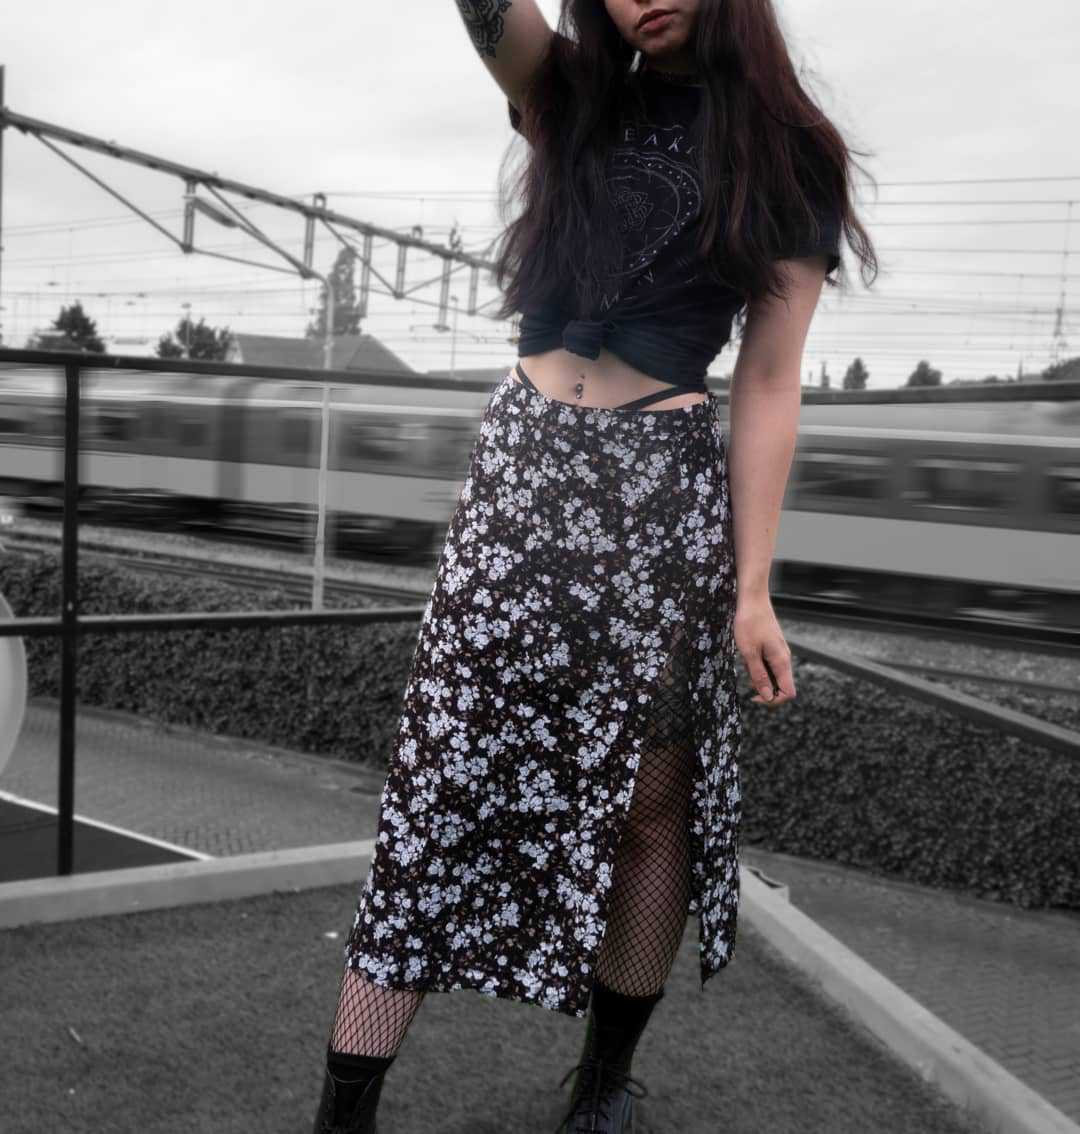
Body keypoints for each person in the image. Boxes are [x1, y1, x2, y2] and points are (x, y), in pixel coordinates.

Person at [313, 2, 878, 1132]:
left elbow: (770, 379)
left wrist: (753, 588)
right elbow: (490, 19)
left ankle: (604, 1086)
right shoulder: (575, 93)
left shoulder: (790, 150)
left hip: (661, 494)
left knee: (653, 799)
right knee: (437, 781)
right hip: (520, 475)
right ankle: (345, 1109)